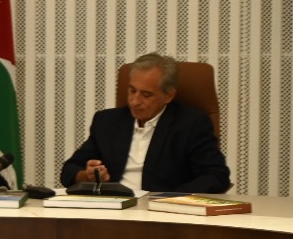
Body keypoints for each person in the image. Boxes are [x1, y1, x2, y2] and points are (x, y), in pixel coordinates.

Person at [59, 52, 231, 194]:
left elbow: (216, 176)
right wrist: (86, 176)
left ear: (168, 96)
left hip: (162, 213)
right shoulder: (107, 121)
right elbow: (69, 169)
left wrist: (169, 199)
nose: (135, 101)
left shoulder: (191, 124)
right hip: (113, 209)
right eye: (132, 91)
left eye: (146, 95)